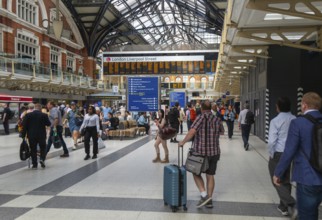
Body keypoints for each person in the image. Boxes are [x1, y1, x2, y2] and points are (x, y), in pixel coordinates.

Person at [273, 92, 322, 220]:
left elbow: (289, 151)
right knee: (314, 212)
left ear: (304, 105)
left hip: (307, 177)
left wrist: (278, 172)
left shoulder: (298, 123)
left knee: (307, 215)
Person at [179, 100, 224, 208]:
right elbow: (222, 132)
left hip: (201, 153)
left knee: (195, 172)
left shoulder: (200, 118)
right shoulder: (216, 119)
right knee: (210, 175)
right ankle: (209, 199)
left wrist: (183, 142)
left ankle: (204, 195)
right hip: (214, 152)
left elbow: (192, 131)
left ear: (202, 109)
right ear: (211, 108)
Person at [268, 97, 296, 217]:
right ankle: (283, 207)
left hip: (278, 153)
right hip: (291, 153)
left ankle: (291, 203)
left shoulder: (275, 121)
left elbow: (272, 141)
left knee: (276, 180)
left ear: (278, 107)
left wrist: (271, 153)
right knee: (285, 179)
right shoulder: (295, 119)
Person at [21, 103, 51, 169]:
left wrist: (23, 135)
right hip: (41, 135)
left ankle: (34, 164)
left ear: (34, 108)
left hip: (31, 135)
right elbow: (48, 123)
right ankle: (42, 159)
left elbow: (24, 126)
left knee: (33, 149)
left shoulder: (28, 115)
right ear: (40, 108)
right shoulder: (44, 115)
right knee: (43, 148)